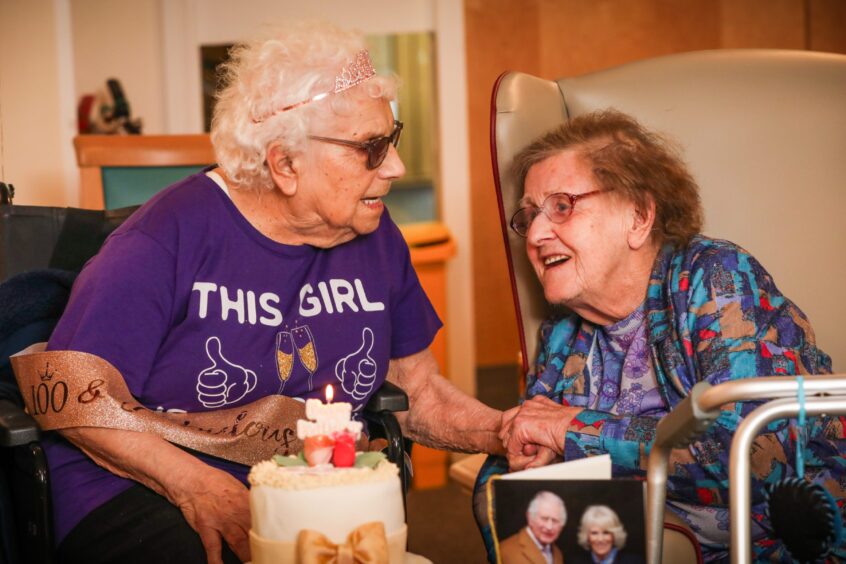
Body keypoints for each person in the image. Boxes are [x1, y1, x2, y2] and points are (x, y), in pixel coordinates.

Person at [40, 22, 503, 564]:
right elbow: (70, 397)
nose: (395, 167)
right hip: (142, 489)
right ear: (285, 163)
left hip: (301, 489)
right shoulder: (164, 237)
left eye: (391, 139)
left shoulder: (375, 237)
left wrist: (501, 431)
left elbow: (418, 393)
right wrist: (199, 487)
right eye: (370, 149)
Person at [474, 110, 845, 562]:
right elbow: (523, 444)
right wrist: (521, 456)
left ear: (638, 216)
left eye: (562, 207)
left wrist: (569, 428)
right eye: (528, 216)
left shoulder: (715, 279)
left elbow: (753, 456)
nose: (534, 234)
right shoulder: (563, 334)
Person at [500, 491, 566, 564]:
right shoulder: (504, 551)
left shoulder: (557, 554)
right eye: (544, 519)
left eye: (555, 521)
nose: (549, 527)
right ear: (530, 518)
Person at [573, 505, 640, 564]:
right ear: (587, 536)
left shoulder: (633, 562)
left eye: (606, 533)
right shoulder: (576, 562)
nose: (600, 539)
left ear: (615, 535)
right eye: (594, 533)